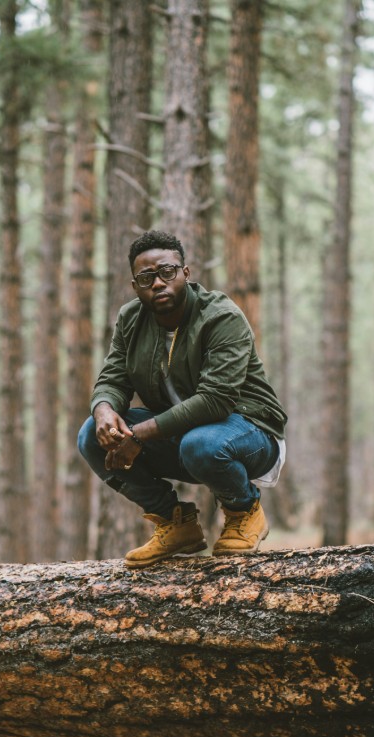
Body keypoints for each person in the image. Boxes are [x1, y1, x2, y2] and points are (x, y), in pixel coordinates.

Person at [78, 230, 287, 568]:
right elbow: (113, 379)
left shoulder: (221, 316)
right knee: (90, 435)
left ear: (185, 274)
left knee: (200, 443)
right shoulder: (131, 319)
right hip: (182, 437)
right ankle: (175, 522)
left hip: (251, 433)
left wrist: (138, 435)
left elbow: (215, 400)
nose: (158, 283)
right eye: (147, 277)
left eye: (167, 272)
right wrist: (103, 410)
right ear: (135, 286)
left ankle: (243, 510)